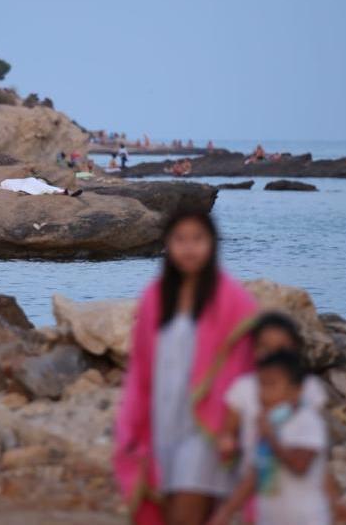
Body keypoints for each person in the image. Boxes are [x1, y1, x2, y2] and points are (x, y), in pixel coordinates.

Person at [114, 209, 258, 525]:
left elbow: (250, 363)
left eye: (198, 239)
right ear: (168, 244)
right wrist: (132, 422)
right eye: (180, 239)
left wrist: (234, 427)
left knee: (186, 511)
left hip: (209, 426)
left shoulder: (232, 299)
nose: (189, 248)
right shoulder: (155, 297)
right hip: (163, 421)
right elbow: (141, 367)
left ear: (212, 243)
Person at [210, 350, 331, 525]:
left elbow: (300, 465)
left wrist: (271, 437)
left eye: (271, 385)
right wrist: (225, 513)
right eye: (261, 385)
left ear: (295, 391)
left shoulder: (307, 421)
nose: (263, 394)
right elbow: (255, 474)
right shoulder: (271, 423)